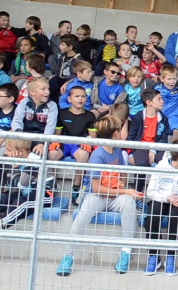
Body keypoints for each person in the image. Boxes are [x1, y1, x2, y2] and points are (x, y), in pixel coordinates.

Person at [56, 115, 142, 276]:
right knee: (81, 217)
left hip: (115, 196)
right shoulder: (97, 155)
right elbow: (96, 189)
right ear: (115, 133)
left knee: (129, 205)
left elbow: (123, 174)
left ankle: (125, 253)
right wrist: (125, 191)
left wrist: (122, 185)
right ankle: (68, 256)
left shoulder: (117, 151)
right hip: (97, 196)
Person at [142, 137, 178, 276]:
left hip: (177, 202)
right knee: (153, 214)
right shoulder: (161, 166)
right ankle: (153, 255)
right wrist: (166, 197)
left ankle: (171, 255)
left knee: (176, 216)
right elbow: (151, 192)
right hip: (161, 200)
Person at [50, 86, 97, 206]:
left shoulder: (89, 115)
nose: (80, 99)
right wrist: (55, 142)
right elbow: (57, 134)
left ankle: (76, 188)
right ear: (69, 99)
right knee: (52, 153)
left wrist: (88, 142)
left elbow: (93, 136)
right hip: (64, 143)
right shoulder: (62, 113)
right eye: (77, 96)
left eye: (83, 96)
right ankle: (52, 185)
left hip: (79, 144)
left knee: (83, 155)